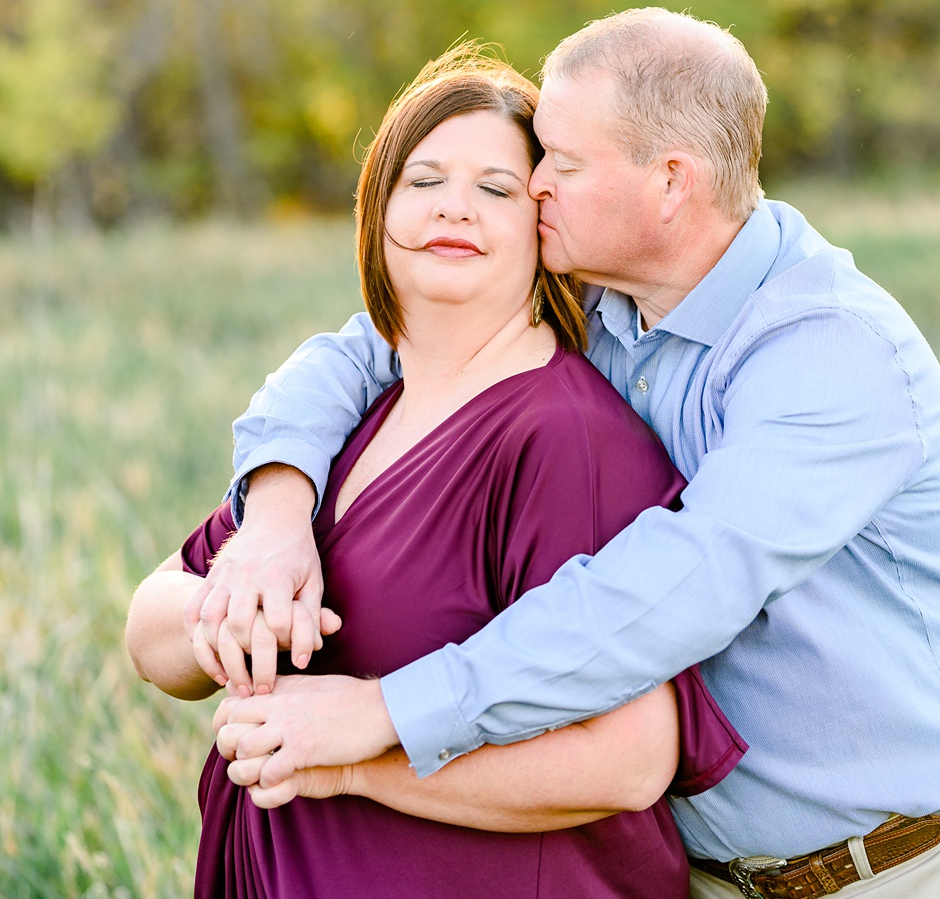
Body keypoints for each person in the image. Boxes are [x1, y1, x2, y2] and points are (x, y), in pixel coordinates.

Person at [189, 8, 940, 898]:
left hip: (892, 870)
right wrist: (278, 514)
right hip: (701, 876)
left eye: (563, 160)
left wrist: (384, 714)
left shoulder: (828, 354)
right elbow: (366, 350)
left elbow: (669, 589)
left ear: (671, 182)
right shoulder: (602, 302)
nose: (537, 184)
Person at [127, 49, 745, 899]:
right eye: (423, 180)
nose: (455, 206)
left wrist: (354, 765)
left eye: (497, 188)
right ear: (377, 207)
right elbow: (151, 634)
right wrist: (234, 605)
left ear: (545, 226)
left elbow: (629, 762)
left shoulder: (562, 439)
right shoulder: (343, 426)